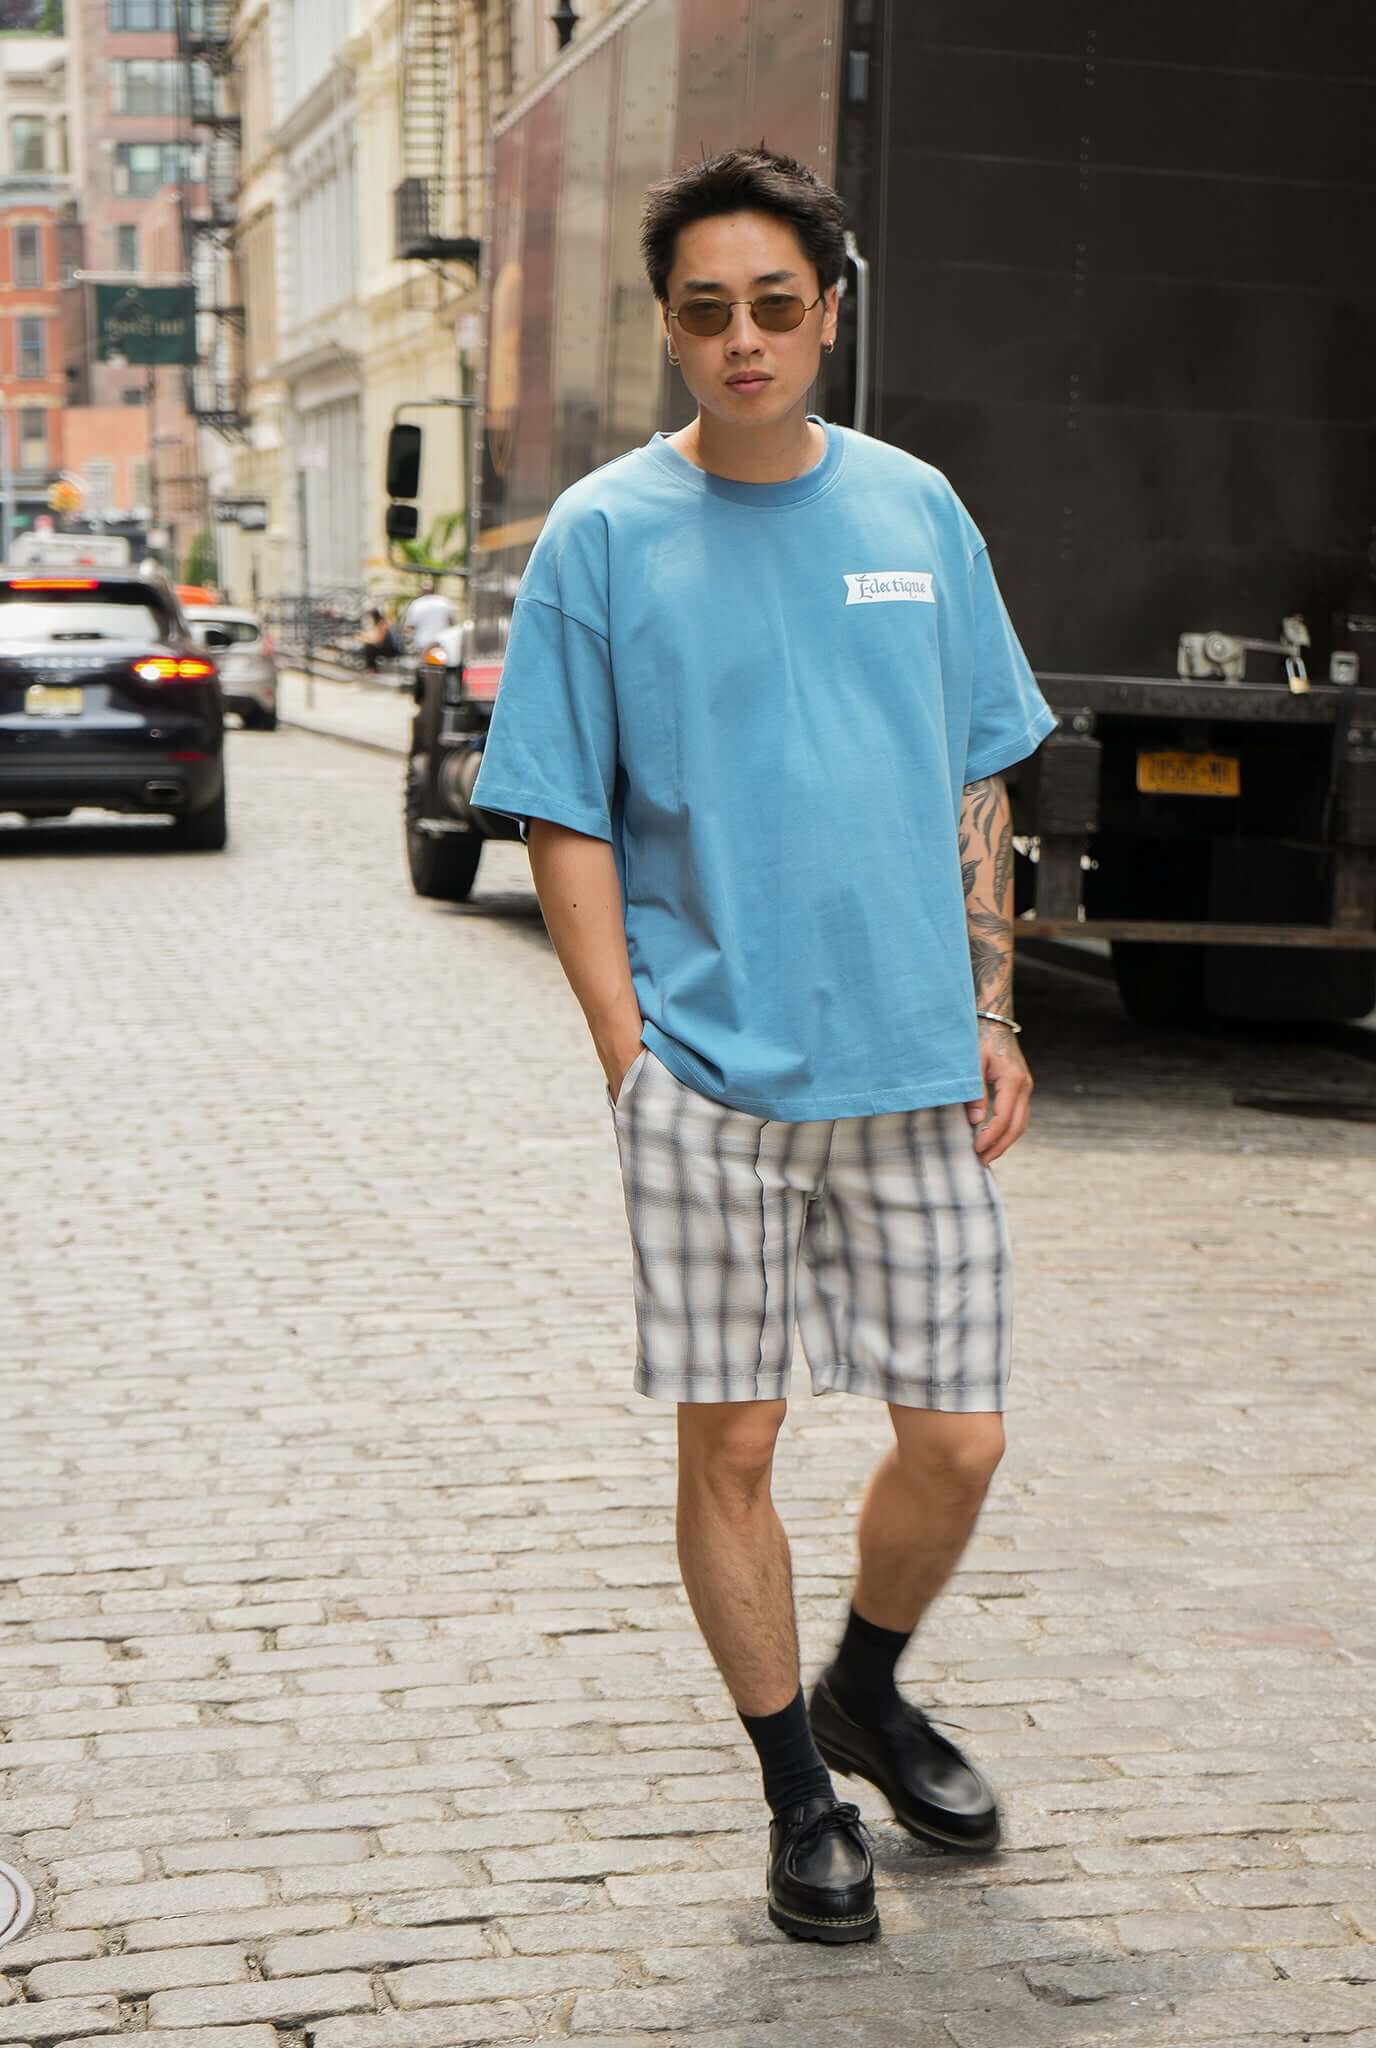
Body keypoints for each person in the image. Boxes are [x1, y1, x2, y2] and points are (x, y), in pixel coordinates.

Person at [472, 147, 1055, 1947]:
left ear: (827, 309)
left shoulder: (915, 511)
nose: (742, 339)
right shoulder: (600, 535)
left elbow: (976, 768)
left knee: (955, 1438)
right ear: (669, 326)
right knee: (730, 1443)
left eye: (774, 306)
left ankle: (862, 1686)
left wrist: (990, 1002)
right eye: (707, 311)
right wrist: (625, 1053)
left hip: (906, 1075)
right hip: (706, 1083)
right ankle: (797, 1796)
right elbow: (560, 812)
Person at [403, 579, 453, 651]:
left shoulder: (416, 604)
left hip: (422, 644)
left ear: (422, 591)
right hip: (442, 643)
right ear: (434, 590)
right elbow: (452, 623)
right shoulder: (444, 602)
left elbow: (409, 627)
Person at [360, 605, 400, 672]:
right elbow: (375, 637)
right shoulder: (381, 623)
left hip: (393, 650)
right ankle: (371, 668)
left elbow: (379, 640)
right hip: (389, 647)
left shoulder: (382, 624)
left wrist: (366, 639)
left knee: (369, 647)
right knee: (369, 646)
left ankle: (372, 669)